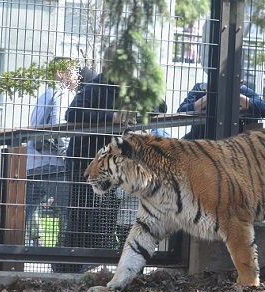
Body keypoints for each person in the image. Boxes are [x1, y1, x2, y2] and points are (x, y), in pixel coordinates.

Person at [53, 45, 167, 273]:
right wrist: (110, 116)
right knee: (80, 217)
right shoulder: (96, 86)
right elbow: (72, 114)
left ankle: (103, 266)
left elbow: (161, 106)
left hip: (115, 169)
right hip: (84, 164)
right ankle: (69, 269)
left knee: (106, 219)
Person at [25, 57, 79, 247]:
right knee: (68, 213)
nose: (76, 76)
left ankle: (9, 252)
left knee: (23, 212)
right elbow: (60, 127)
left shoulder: (44, 94)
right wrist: (66, 158)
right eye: (72, 71)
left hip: (32, 163)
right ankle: (62, 255)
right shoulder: (62, 93)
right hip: (54, 165)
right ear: (60, 73)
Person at [115, 128, 170, 249]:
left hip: (144, 221)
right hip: (126, 221)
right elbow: (119, 194)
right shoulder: (123, 164)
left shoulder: (150, 163)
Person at [177, 81, 265, 139]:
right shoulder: (200, 88)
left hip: (236, 143)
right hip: (200, 141)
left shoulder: (243, 91)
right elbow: (180, 112)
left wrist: (244, 100)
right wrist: (203, 101)